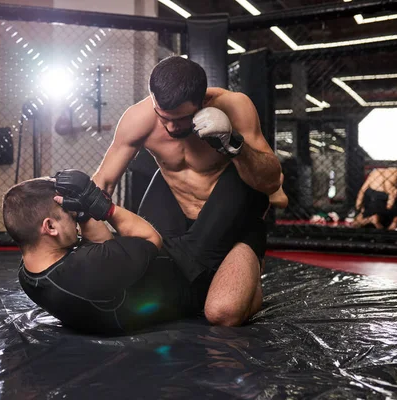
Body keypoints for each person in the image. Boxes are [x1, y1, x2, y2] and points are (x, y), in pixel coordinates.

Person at [92, 56, 282, 327]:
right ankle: (219, 275)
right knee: (138, 291)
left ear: (202, 101)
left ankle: (244, 274)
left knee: (223, 313)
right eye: (163, 117)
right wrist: (81, 203)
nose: (170, 128)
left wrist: (235, 145)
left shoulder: (234, 106)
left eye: (181, 119)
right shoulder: (139, 118)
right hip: (178, 213)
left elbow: (271, 182)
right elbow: (105, 181)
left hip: (232, 222)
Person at [2, 166, 265, 335]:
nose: (72, 216)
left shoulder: (29, 274)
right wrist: (101, 205)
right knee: (241, 181)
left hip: (152, 265)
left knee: (171, 171)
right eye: (66, 214)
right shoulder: (88, 269)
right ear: (49, 227)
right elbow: (150, 237)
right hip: (188, 270)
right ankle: (259, 217)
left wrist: (82, 213)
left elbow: (103, 246)